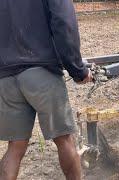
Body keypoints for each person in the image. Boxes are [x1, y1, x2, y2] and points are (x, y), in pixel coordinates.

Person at [0, 0, 92, 179]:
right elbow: (64, 23)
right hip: (41, 72)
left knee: (15, 147)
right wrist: (78, 70)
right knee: (65, 139)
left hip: (6, 76)